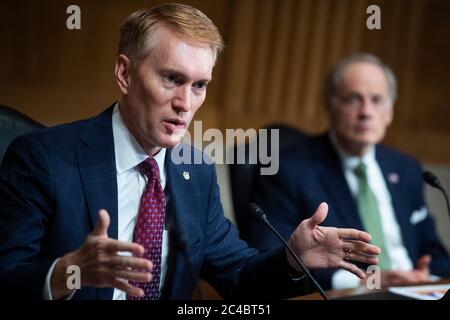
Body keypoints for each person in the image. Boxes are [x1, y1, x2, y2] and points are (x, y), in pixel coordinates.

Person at [0, 4, 379, 300]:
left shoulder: (195, 171)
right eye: (171, 79)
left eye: (199, 85)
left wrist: (291, 260)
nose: (185, 102)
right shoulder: (43, 158)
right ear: (125, 74)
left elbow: (239, 276)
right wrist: (71, 271)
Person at [248, 53, 450, 290]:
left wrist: (428, 276)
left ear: (390, 112)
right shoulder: (287, 168)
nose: (366, 111)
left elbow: (433, 251)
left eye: (377, 100)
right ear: (330, 105)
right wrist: (367, 283)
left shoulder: (406, 168)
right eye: (354, 99)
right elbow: (274, 258)